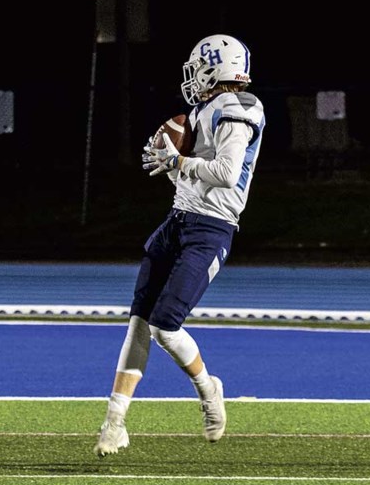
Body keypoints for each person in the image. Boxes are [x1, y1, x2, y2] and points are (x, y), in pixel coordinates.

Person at [94, 34, 265, 457]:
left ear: (217, 66)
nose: (192, 77)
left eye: (198, 67)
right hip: (177, 221)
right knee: (138, 322)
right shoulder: (202, 110)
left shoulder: (240, 108)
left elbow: (225, 173)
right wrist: (170, 166)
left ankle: (209, 391)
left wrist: (177, 160)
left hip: (211, 228)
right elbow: (190, 179)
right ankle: (114, 422)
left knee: (165, 326)